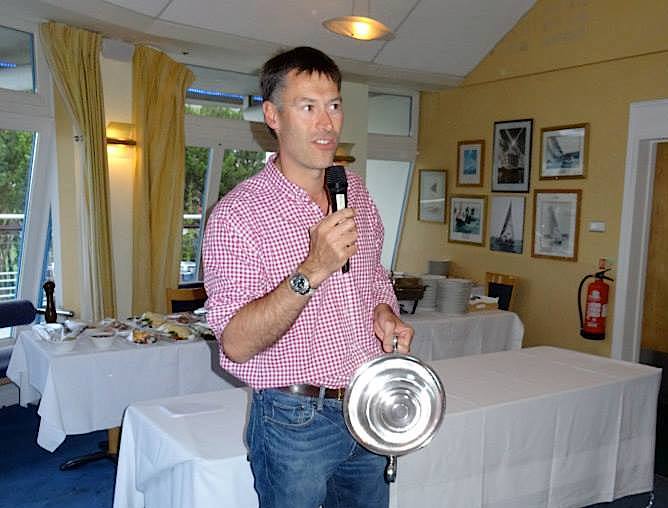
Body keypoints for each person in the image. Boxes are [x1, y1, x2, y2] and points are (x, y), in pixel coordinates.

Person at [202, 46, 413, 508]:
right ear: (273, 115)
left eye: (334, 105)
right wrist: (312, 268)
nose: (326, 123)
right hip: (294, 420)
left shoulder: (352, 188)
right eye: (308, 107)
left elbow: (373, 275)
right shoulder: (237, 215)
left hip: (368, 404)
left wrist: (383, 312)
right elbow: (235, 343)